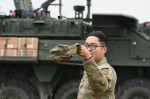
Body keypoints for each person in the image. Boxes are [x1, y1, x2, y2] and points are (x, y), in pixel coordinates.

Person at [77, 31, 117, 99]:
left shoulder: (105, 69)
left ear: (104, 49)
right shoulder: (91, 67)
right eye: (86, 45)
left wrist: (88, 57)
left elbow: (100, 87)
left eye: (93, 46)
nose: (88, 49)